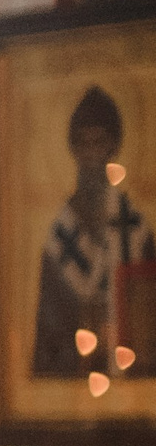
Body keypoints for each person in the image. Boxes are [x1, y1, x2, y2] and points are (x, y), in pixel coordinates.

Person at [30, 85, 154, 379]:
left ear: (114, 147)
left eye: (99, 143)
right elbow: (48, 331)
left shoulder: (136, 229)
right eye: (83, 144)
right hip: (73, 377)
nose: (91, 155)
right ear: (72, 149)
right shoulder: (60, 235)